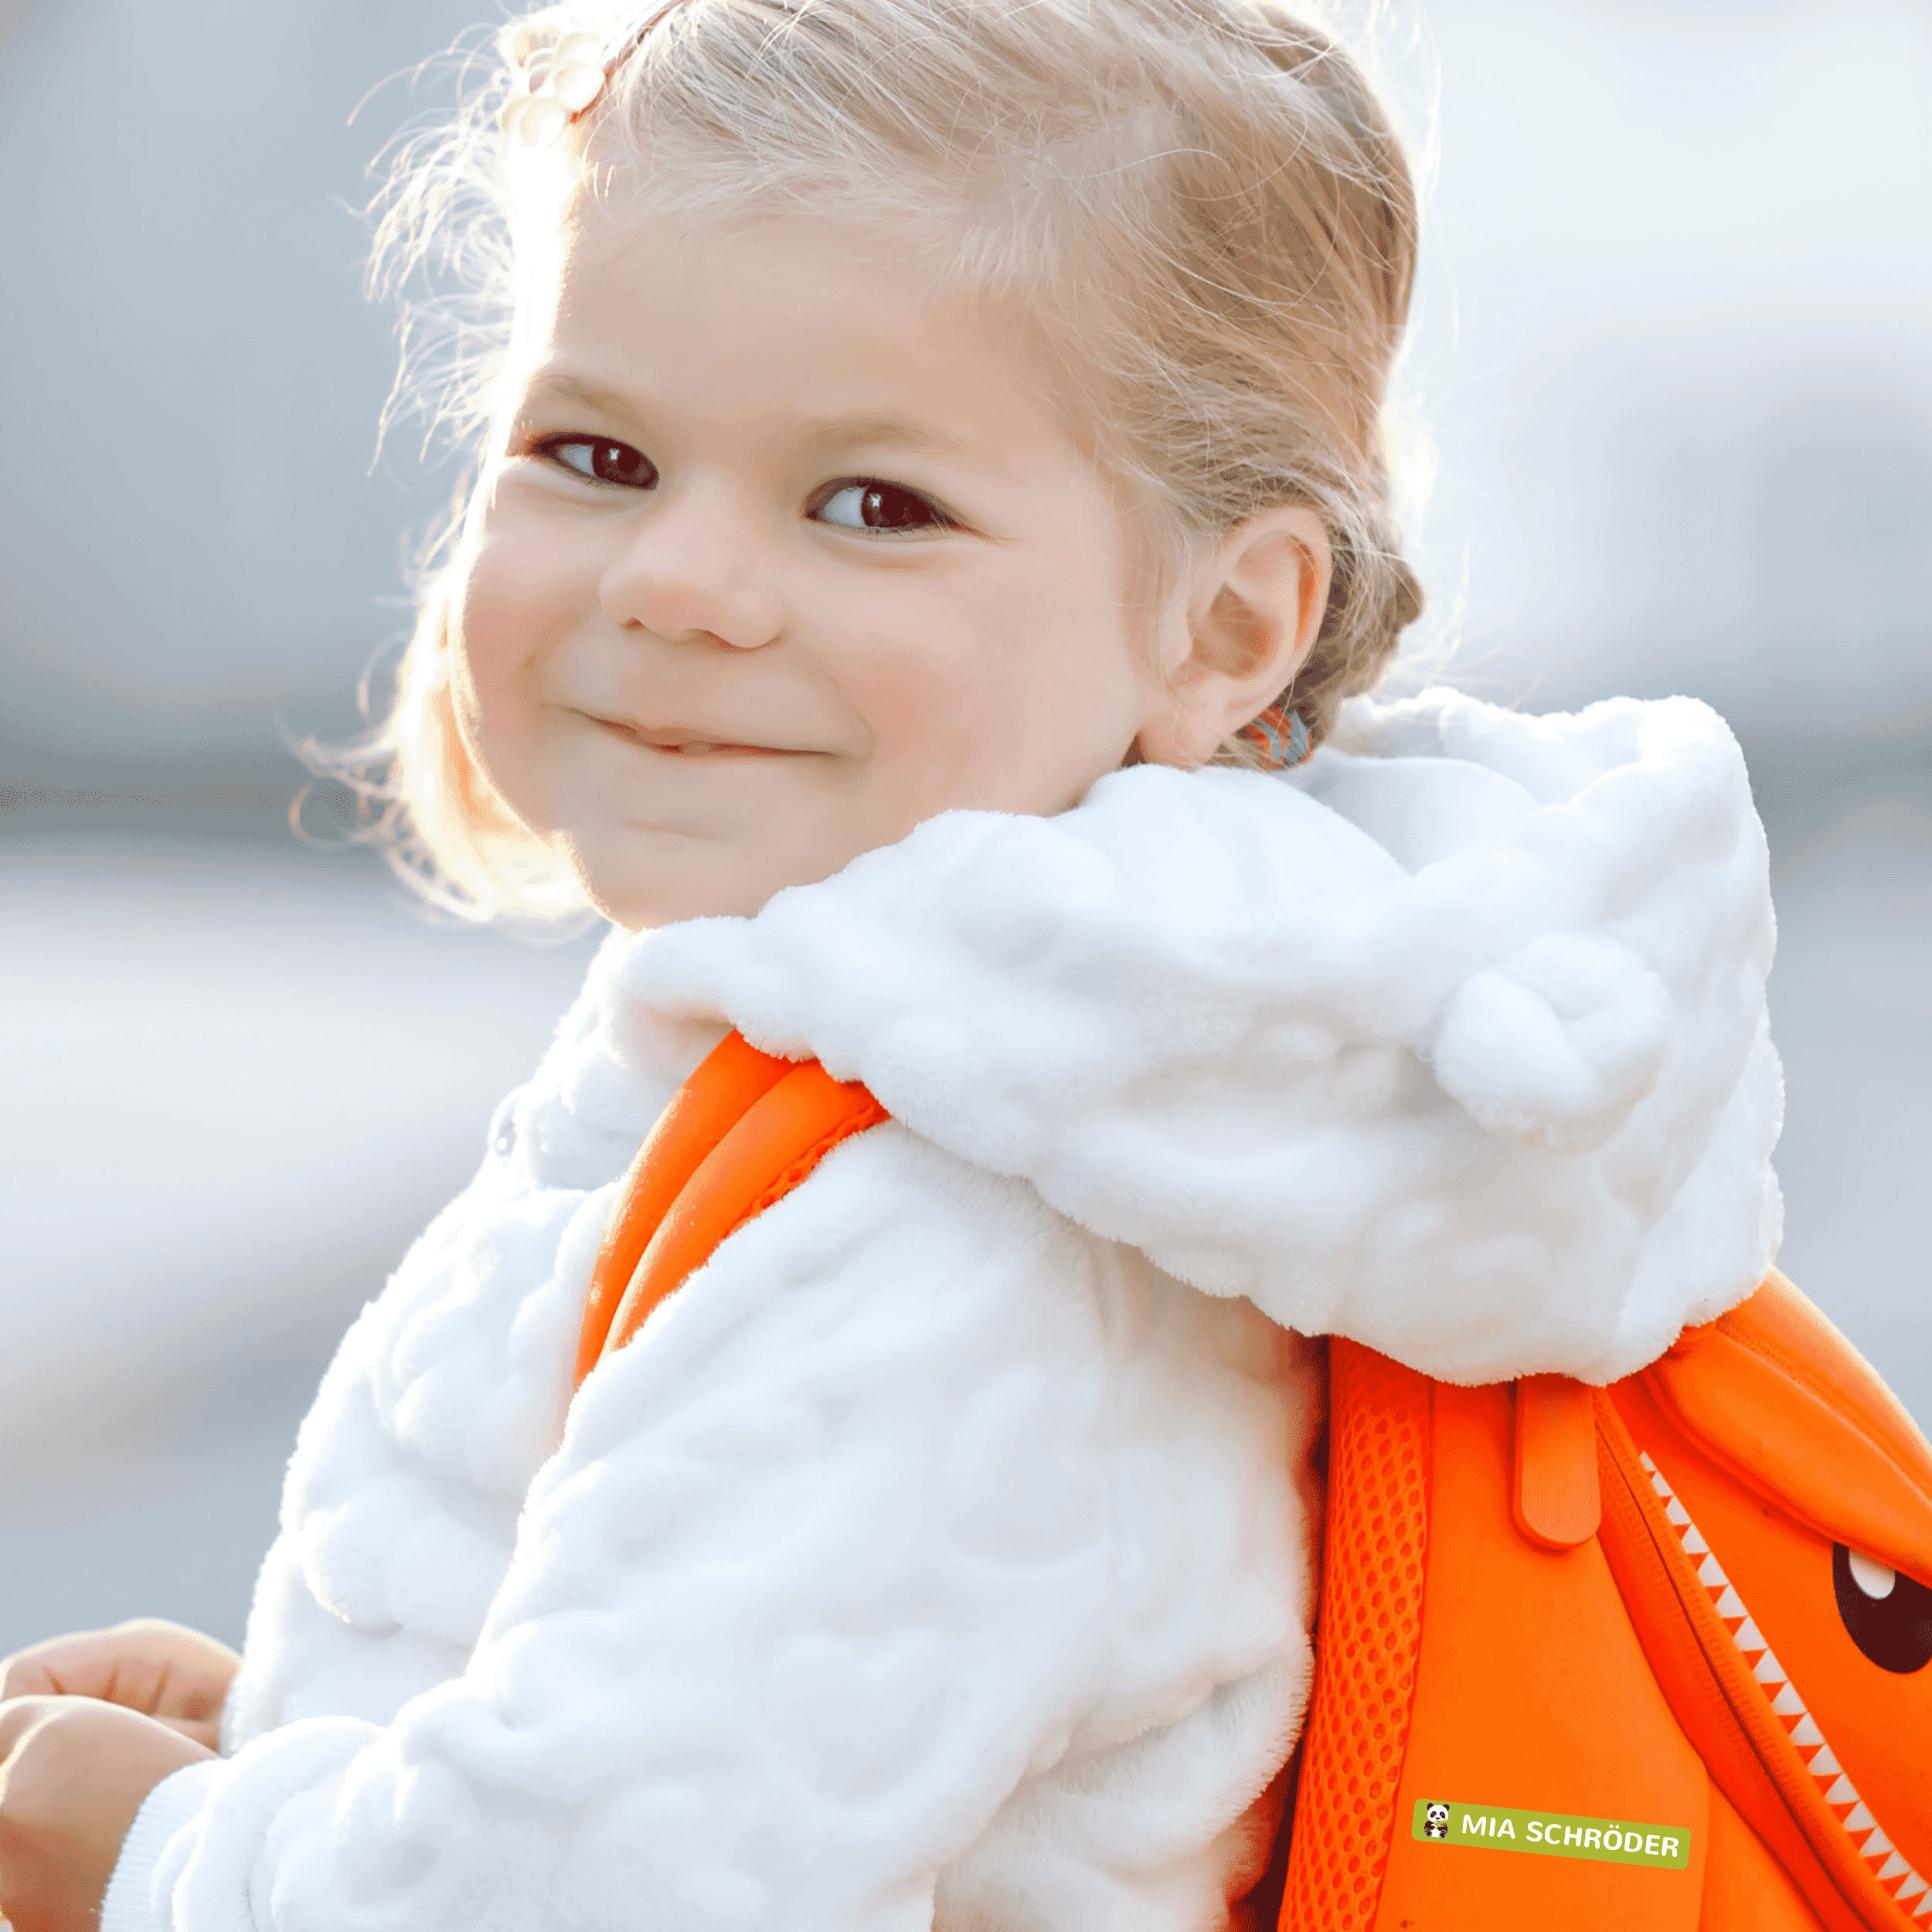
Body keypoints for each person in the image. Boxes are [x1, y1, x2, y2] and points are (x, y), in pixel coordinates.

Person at [0, 0, 1788, 1926]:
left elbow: (603, 1892)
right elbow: (757, 1744)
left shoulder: (953, 1218)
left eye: (871, 504)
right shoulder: (1028, 1090)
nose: (677, 580)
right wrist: (321, 1733)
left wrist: (164, 1865)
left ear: (1224, 627)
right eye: (596, 453)